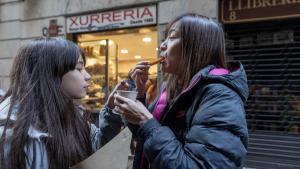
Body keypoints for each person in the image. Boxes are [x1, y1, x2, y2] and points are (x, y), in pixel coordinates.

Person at [114, 13, 249, 169]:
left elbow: (199, 165)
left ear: (196, 46)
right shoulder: (172, 89)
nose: (162, 45)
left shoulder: (220, 95)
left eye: (172, 37)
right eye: (164, 38)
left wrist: (145, 120)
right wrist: (140, 93)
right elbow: (145, 135)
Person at [0, 38, 123, 169]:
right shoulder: (13, 134)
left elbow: (95, 151)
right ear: (50, 73)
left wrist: (111, 113)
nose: (87, 76)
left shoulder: (73, 116)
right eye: (79, 68)